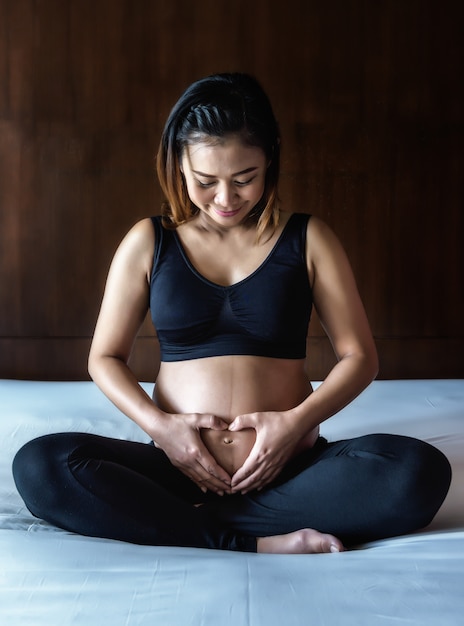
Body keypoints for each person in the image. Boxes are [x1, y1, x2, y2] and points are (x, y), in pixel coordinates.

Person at [13, 73, 451, 554]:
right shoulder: (148, 241)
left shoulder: (309, 239)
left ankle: (191, 525)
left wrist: (294, 425)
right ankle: (248, 541)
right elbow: (105, 357)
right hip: (178, 468)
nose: (225, 199)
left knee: (418, 471)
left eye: (245, 179)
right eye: (206, 181)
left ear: (270, 161)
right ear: (180, 164)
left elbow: (360, 357)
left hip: (291, 469)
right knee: (40, 465)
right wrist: (164, 430)